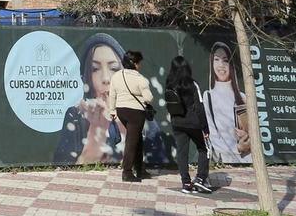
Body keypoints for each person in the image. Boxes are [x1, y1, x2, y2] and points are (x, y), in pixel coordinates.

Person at [53, 33, 126, 166]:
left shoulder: (138, 114)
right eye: (95, 69)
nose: (106, 78)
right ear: (85, 77)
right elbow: (62, 169)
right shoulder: (76, 115)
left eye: (114, 69)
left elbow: (154, 161)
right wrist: (95, 135)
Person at [165, 56, 213, 195]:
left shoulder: (169, 83)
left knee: (182, 153)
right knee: (205, 149)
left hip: (177, 123)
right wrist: (205, 127)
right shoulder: (192, 84)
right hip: (194, 124)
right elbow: (200, 107)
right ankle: (201, 178)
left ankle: (186, 184)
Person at [109, 50, 156, 183]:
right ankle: (127, 172)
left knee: (136, 139)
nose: (140, 65)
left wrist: (112, 110)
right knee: (131, 141)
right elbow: (148, 98)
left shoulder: (117, 76)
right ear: (135, 64)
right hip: (136, 112)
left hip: (121, 110)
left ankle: (140, 169)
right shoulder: (139, 78)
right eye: (139, 63)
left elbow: (112, 94)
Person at [204, 42, 251, 163]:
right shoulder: (208, 96)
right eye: (216, 59)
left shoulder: (242, 97)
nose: (221, 65)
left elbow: (253, 131)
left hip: (246, 158)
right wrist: (237, 148)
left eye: (225, 60)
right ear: (212, 63)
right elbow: (212, 134)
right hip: (225, 158)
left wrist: (246, 135)